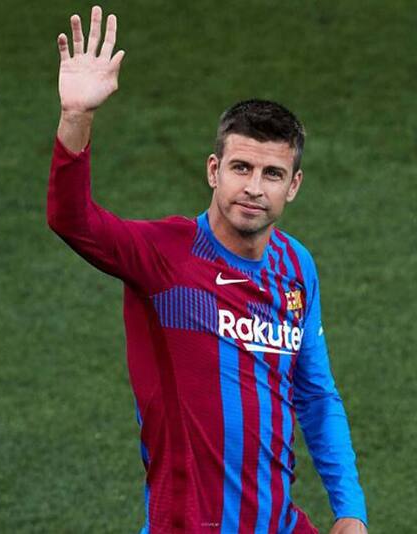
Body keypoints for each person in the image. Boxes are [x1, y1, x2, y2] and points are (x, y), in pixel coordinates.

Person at [47, 6, 367, 533]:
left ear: (294, 186)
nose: (254, 188)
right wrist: (77, 116)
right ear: (214, 171)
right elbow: (72, 220)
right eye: (241, 168)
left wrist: (350, 509)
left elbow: (315, 392)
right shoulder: (164, 256)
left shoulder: (295, 266)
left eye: (272, 173)